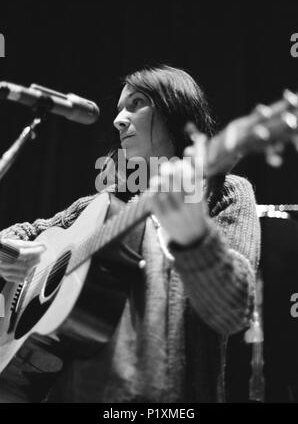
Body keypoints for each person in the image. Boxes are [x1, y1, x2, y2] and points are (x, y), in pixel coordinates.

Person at [0, 65, 260, 403]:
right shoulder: (104, 202)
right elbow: (29, 231)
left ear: (175, 110)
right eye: (119, 108)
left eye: (137, 103)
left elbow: (232, 308)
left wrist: (193, 236)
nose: (118, 119)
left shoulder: (224, 192)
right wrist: (7, 255)